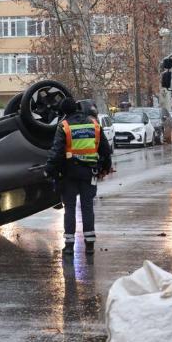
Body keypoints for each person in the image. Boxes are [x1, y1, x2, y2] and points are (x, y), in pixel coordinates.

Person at [44, 97, 113, 256]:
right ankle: (89, 245)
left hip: (69, 174)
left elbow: (57, 152)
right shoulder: (94, 124)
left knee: (70, 208)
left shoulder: (64, 126)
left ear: (64, 112)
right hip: (89, 173)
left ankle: (69, 245)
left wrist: (49, 170)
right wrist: (105, 167)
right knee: (87, 207)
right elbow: (105, 149)